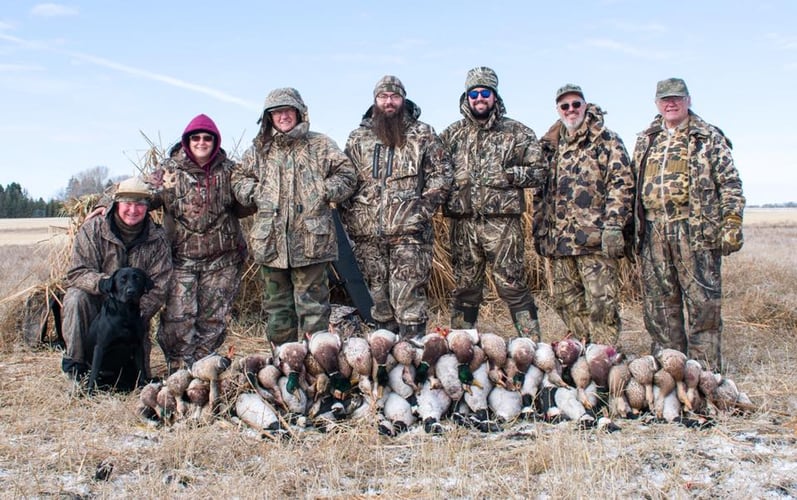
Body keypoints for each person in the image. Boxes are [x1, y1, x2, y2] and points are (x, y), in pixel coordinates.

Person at [631, 77, 745, 370]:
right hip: (654, 231)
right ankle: (669, 371)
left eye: (677, 98)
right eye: (665, 99)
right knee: (660, 306)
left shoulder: (707, 137)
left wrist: (731, 223)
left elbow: (730, 184)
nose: (671, 103)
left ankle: (704, 375)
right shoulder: (647, 139)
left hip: (694, 230)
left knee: (702, 304)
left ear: (688, 100)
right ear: (657, 103)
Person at [232, 87, 357, 345]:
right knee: (277, 310)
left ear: (299, 113)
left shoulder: (319, 144)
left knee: (314, 310)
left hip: (311, 243)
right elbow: (238, 179)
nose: (283, 116)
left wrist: (324, 191)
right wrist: (255, 193)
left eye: (288, 110)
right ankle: (283, 365)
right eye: (277, 112)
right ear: (269, 117)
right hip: (271, 244)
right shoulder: (259, 150)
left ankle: (317, 367)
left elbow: (347, 175)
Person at [340, 75, 452, 340]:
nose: (388, 102)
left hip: (409, 237)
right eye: (383, 97)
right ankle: (386, 363)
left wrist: (421, 211)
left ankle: (413, 359)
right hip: (367, 236)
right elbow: (345, 178)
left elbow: (442, 174)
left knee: (408, 301)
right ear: (375, 100)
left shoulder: (422, 133)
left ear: (403, 99)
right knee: (378, 302)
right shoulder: (358, 138)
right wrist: (350, 215)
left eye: (394, 97)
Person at [440, 66, 546, 339]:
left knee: (512, 285)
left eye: (484, 92)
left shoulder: (517, 132)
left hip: (503, 224)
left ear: (494, 96)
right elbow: (435, 172)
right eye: (473, 93)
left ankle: (533, 345)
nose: (479, 98)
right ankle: (461, 346)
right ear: (466, 97)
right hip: (463, 224)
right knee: (465, 287)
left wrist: (511, 174)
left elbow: (541, 171)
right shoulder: (451, 135)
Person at [148, 114, 250, 372]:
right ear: (187, 141)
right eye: (196, 138)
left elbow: (249, 201)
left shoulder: (231, 171)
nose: (202, 142)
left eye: (207, 138)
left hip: (223, 262)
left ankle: (203, 371)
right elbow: (140, 193)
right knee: (177, 319)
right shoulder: (169, 171)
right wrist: (106, 204)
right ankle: (179, 371)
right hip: (181, 260)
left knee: (212, 320)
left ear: (215, 141)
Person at [533, 84, 634, 345]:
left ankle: (604, 361)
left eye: (576, 104)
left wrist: (614, 226)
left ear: (585, 106)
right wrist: (541, 231)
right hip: (561, 243)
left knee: (602, 305)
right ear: (558, 110)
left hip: (595, 241)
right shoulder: (550, 147)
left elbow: (621, 183)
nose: (571, 110)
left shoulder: (605, 140)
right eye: (565, 106)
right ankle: (582, 353)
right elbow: (541, 193)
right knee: (564, 300)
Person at [61, 176, 172, 381]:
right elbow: (77, 272)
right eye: (127, 203)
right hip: (98, 302)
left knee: (133, 379)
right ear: (116, 203)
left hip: (133, 309)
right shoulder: (93, 229)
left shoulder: (157, 238)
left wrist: (136, 310)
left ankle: (131, 372)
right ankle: (75, 368)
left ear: (148, 207)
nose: (133, 210)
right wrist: (103, 283)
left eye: (139, 204)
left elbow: (159, 286)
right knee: (75, 298)